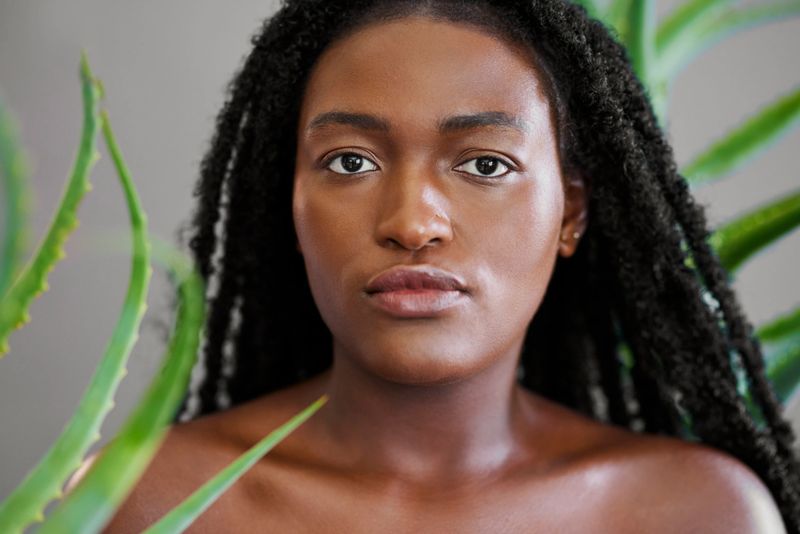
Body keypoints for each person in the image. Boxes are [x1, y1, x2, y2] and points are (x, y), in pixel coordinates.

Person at [102, 0, 799, 531]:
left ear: (570, 214)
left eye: (486, 164)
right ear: (290, 202)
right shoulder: (147, 499)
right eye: (351, 162)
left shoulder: (697, 515)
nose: (411, 223)